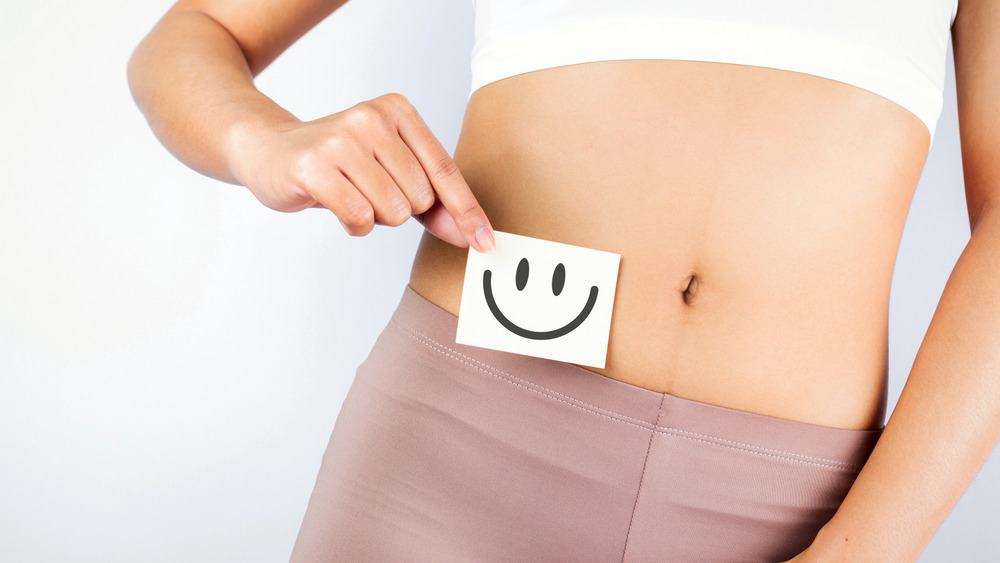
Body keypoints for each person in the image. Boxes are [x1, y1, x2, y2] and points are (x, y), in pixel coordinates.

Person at [127, 0, 999, 560]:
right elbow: (194, 32)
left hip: (794, 509)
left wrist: (866, 551)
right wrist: (261, 139)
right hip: (454, 459)